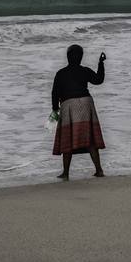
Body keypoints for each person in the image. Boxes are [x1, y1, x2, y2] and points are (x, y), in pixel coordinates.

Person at [51, 44, 107, 180]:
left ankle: (66, 173)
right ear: (81, 57)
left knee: (68, 140)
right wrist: (101, 63)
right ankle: (99, 170)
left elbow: (54, 93)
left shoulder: (61, 73)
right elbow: (98, 80)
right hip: (87, 103)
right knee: (91, 140)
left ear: (67, 57)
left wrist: (55, 109)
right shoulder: (84, 71)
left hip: (69, 105)